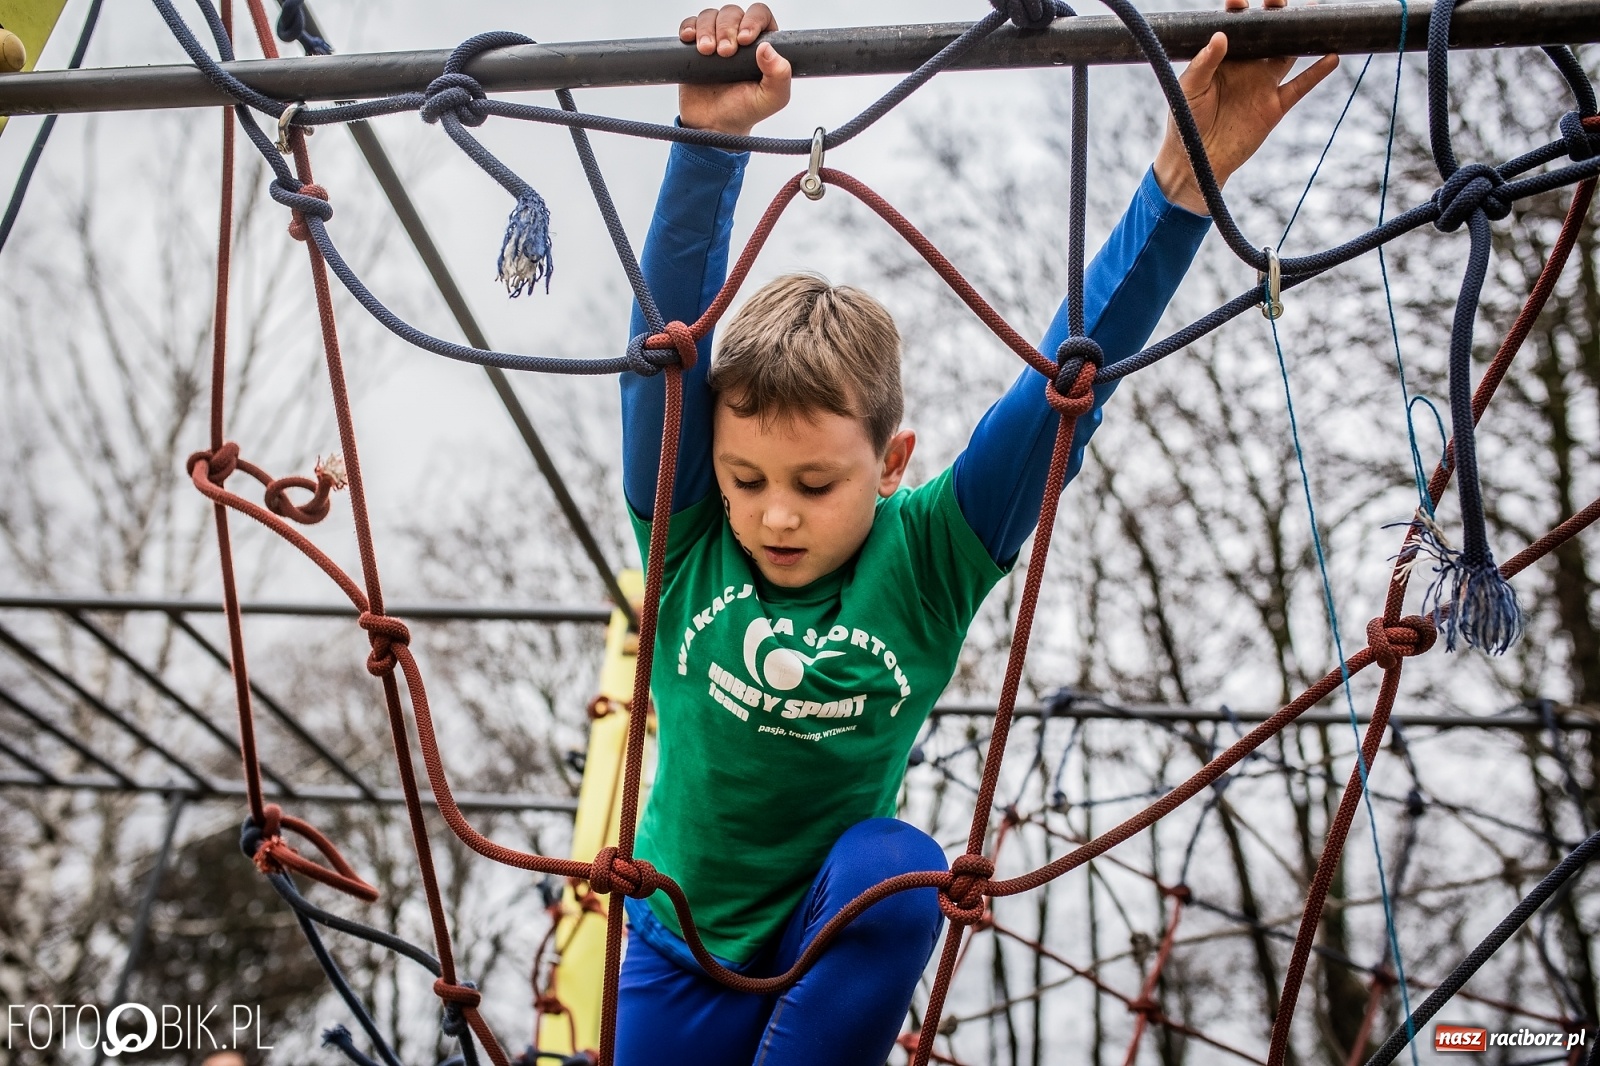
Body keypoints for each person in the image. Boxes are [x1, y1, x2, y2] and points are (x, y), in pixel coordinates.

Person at [615, 5, 1336, 1064]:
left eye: (815, 483)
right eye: (746, 478)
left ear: (891, 463)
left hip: (825, 949)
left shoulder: (927, 558)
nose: (774, 513)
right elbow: (666, 351)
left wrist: (1180, 190)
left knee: (897, 866)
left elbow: (1064, 386)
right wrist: (709, 145)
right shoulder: (688, 540)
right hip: (674, 948)